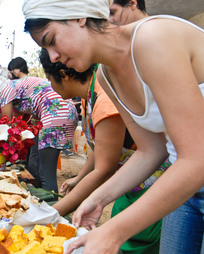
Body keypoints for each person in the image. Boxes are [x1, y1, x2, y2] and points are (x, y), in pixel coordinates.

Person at [23, 0, 204, 253]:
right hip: (187, 186)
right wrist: (97, 199)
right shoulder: (106, 76)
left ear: (79, 18)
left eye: (51, 40)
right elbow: (151, 150)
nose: (54, 57)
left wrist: (114, 231)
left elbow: (196, 158)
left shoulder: (152, 38)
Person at [40, 48, 169, 253]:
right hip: (130, 185)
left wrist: (52, 213)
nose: (50, 85)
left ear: (64, 75)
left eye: (49, 79)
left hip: (153, 185)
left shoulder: (104, 97)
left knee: (135, 244)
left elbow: (104, 169)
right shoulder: (88, 95)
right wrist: (79, 178)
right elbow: (99, 147)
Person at [0, 69, 78, 197]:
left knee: (45, 174)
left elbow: (7, 124)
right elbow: (18, 121)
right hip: (66, 112)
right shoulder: (17, 88)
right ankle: (42, 202)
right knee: (39, 168)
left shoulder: (6, 89)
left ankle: (51, 208)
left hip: (55, 114)